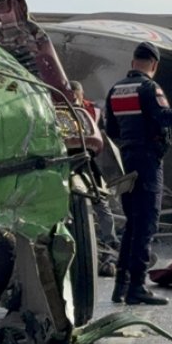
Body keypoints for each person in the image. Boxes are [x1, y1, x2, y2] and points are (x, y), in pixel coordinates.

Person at [104, 43, 172, 305]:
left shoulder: (115, 90)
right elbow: (164, 117)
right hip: (148, 162)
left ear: (133, 63)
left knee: (132, 224)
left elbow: (111, 130)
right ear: (154, 65)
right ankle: (137, 288)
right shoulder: (149, 88)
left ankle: (120, 287)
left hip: (128, 162)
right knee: (146, 225)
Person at [70, 80, 120, 277]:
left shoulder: (91, 110)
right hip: (69, 162)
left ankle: (110, 242)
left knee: (101, 203)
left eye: (76, 95)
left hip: (91, 163)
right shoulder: (59, 110)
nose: (73, 98)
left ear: (82, 94)